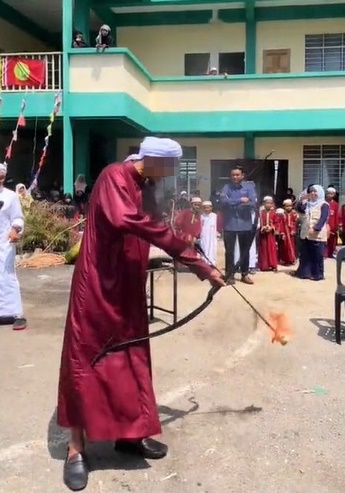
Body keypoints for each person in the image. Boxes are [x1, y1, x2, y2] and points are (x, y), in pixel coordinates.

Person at [57, 138, 225, 492]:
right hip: (99, 282)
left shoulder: (145, 184)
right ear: (150, 159)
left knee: (132, 356)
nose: (169, 176)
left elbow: (156, 224)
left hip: (128, 282)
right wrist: (190, 259)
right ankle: (76, 447)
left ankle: (130, 435)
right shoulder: (112, 177)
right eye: (167, 168)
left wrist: (192, 253)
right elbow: (131, 221)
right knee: (86, 356)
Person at [0, 163, 27, 331]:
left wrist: (15, 230)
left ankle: (17, 314)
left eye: (2, 176)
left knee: (7, 276)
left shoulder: (11, 196)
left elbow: (18, 218)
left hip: (4, 243)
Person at [220, 167, 256, 285]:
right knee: (229, 251)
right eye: (233, 175)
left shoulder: (249, 188)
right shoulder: (226, 187)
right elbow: (223, 201)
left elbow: (252, 203)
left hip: (245, 224)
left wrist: (232, 202)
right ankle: (229, 275)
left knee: (244, 251)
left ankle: (244, 274)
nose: (235, 177)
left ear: (242, 175)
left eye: (237, 175)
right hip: (229, 224)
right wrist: (240, 200)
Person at [295, 185, 329, 281]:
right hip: (306, 233)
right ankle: (305, 273)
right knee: (306, 254)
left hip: (317, 234)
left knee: (317, 255)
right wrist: (303, 202)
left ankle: (317, 274)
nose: (313, 193)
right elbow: (301, 210)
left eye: (315, 191)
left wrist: (316, 228)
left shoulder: (324, 204)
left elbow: (323, 218)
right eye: (311, 191)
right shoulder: (309, 203)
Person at [257, 196, 278, 272]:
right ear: (264, 203)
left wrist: (272, 228)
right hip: (263, 234)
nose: (269, 205)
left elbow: (276, 223)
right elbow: (258, 223)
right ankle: (264, 265)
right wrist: (262, 228)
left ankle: (273, 264)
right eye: (267, 203)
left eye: (271, 203)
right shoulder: (261, 213)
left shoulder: (274, 213)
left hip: (271, 235)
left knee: (271, 249)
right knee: (263, 249)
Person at [277, 199, 297, 265]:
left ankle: (291, 259)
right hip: (285, 233)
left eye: (290, 206)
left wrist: (293, 230)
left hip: (291, 233)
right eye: (287, 206)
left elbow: (294, 223)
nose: (289, 207)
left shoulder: (293, 214)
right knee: (284, 246)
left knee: (292, 246)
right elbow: (280, 224)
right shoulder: (282, 215)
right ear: (284, 207)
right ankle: (285, 260)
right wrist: (282, 232)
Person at [200, 200, 220, 266]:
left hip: (212, 235)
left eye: (208, 207)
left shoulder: (214, 216)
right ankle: (204, 262)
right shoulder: (201, 216)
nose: (206, 209)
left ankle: (212, 263)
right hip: (204, 235)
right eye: (205, 207)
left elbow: (217, 226)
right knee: (204, 247)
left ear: (211, 208)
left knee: (212, 248)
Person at [324, 187, 340, 258]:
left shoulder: (336, 204)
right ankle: (325, 254)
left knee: (332, 240)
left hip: (332, 225)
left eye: (332, 194)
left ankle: (331, 253)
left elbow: (336, 215)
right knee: (324, 240)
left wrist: (336, 226)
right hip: (324, 224)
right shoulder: (323, 202)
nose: (330, 195)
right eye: (329, 193)